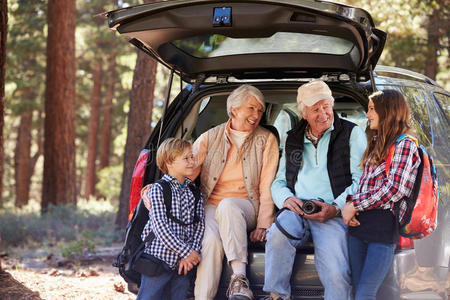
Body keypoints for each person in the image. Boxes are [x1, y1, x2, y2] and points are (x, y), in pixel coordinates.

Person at [264, 80, 367, 300]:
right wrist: (285, 199)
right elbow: (278, 181)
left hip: (332, 212)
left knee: (337, 273)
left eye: (326, 106)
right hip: (298, 208)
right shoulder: (293, 138)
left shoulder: (352, 134)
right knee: (276, 235)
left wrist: (336, 207)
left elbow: (362, 180)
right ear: (304, 114)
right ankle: (277, 296)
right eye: (315, 109)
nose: (323, 113)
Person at [191, 84, 279, 300]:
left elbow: (267, 186)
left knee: (228, 205)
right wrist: (158, 187)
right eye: (251, 108)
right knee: (210, 242)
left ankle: (239, 281)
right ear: (234, 110)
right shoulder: (209, 138)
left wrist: (263, 224)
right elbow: (186, 171)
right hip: (211, 205)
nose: (257, 115)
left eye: (260, 110)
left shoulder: (266, 140)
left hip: (246, 207)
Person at [342, 90, 421, 300]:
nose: (367, 115)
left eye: (371, 109)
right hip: (359, 226)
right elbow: (365, 184)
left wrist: (354, 205)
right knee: (357, 290)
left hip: (383, 228)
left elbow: (395, 189)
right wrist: (351, 206)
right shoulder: (376, 141)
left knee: (365, 294)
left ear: (387, 111)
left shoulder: (405, 144)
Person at [136, 138, 205, 300]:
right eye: (185, 158)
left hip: (183, 265)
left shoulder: (194, 192)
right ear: (169, 162)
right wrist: (187, 252)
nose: (191, 162)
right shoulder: (158, 190)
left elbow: (200, 225)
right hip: (159, 260)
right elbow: (160, 227)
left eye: (192, 157)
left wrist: (190, 255)